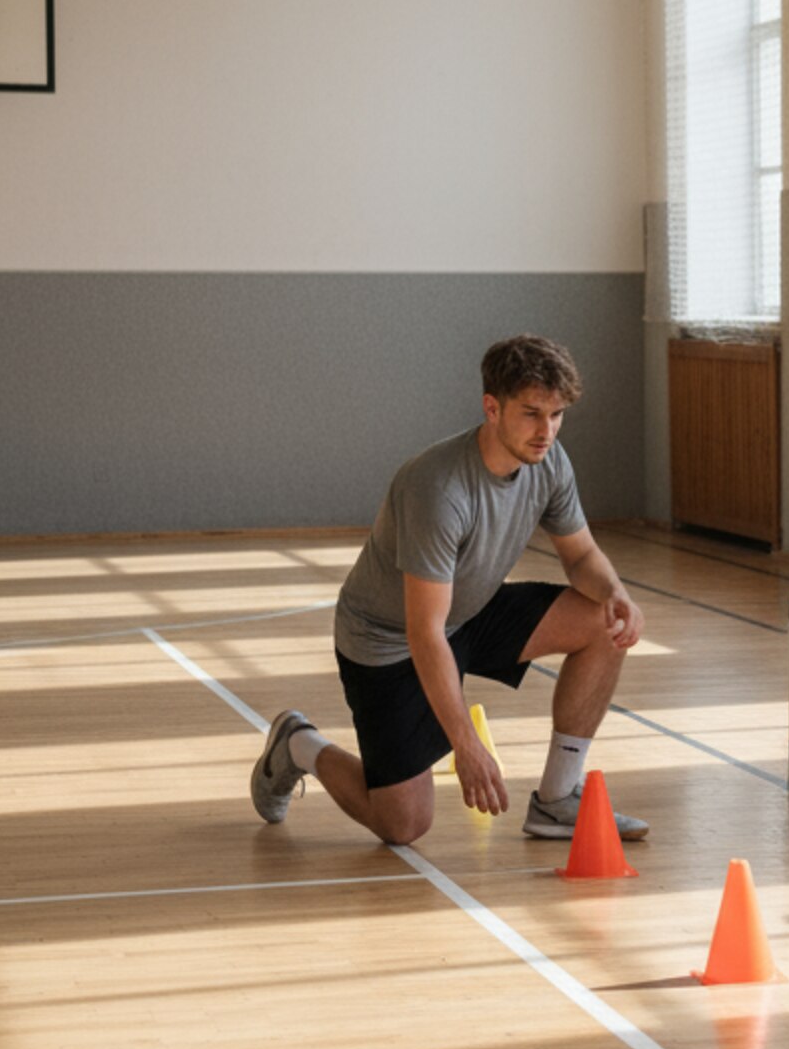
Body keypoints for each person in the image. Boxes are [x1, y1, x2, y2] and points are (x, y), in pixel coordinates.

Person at [249, 334, 648, 848]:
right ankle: (299, 745)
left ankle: (557, 800)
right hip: (387, 641)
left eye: (556, 415)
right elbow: (425, 632)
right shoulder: (438, 489)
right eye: (530, 414)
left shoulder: (548, 461)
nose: (545, 431)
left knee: (603, 621)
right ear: (492, 408)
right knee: (403, 825)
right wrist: (467, 745)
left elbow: (582, 556)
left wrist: (615, 591)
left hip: (469, 610)